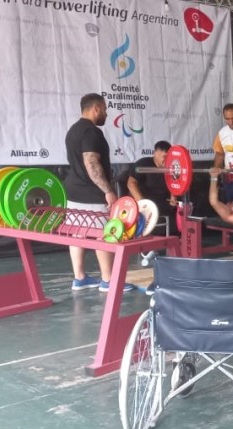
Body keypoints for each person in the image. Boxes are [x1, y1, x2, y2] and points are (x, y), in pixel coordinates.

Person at [64, 93, 136, 293]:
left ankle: (79, 278)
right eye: (104, 109)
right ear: (96, 108)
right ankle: (108, 280)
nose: (105, 113)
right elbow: (91, 162)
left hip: (73, 191)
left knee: (77, 234)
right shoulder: (91, 132)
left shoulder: (73, 130)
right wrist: (108, 191)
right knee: (103, 236)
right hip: (92, 194)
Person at [127, 140, 178, 236]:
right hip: (145, 201)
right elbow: (131, 183)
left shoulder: (172, 166)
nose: (166, 160)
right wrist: (142, 202)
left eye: (169, 157)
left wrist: (173, 197)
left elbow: (174, 182)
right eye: (164, 157)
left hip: (162, 201)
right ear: (155, 153)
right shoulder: (143, 163)